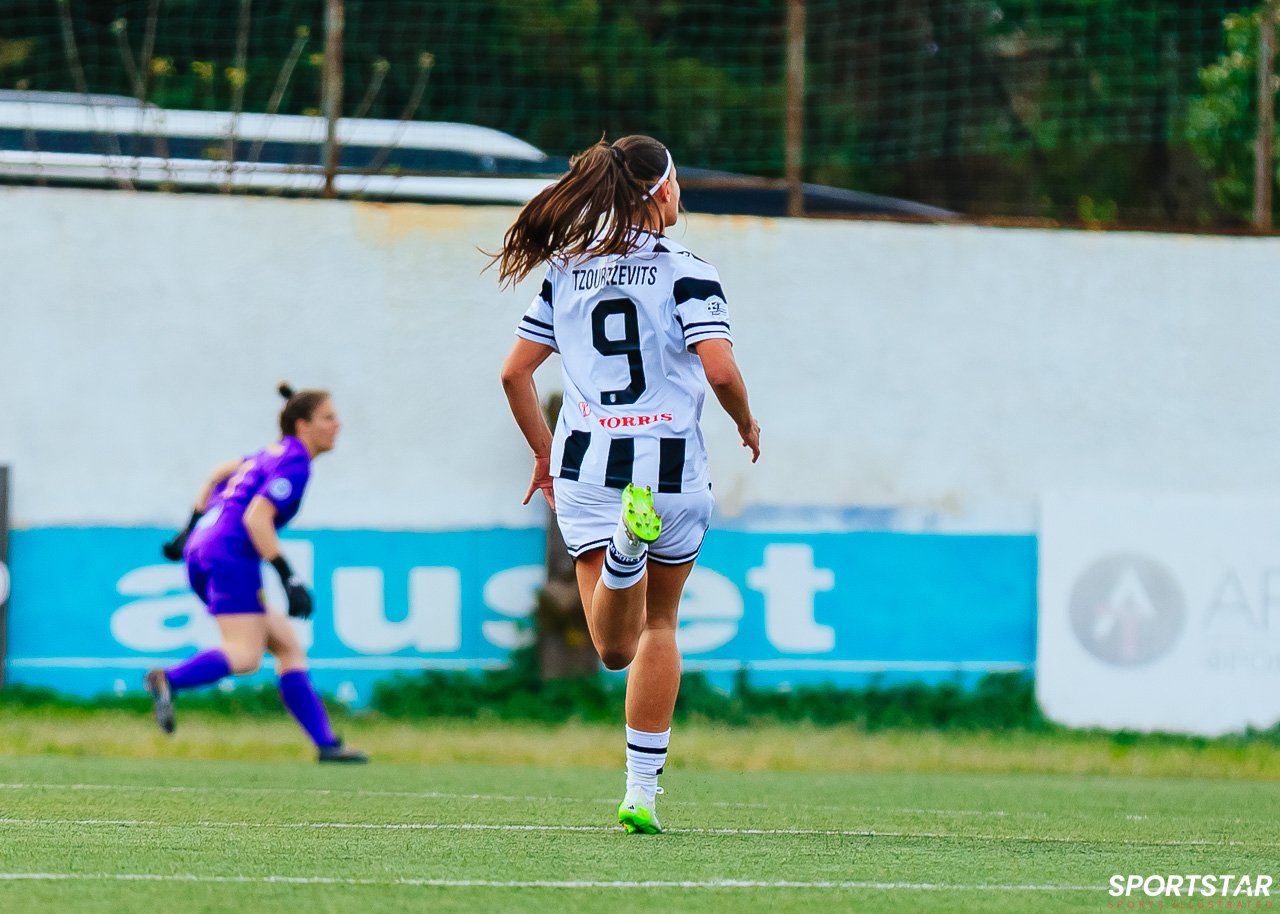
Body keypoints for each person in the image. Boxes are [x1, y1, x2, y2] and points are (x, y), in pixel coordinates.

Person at [496, 135, 760, 833]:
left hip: (589, 465)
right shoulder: (688, 270)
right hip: (671, 468)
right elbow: (720, 369)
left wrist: (543, 453)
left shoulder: (566, 269)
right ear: (664, 190)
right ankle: (641, 793)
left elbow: (514, 373)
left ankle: (622, 552)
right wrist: (745, 421)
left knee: (613, 649)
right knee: (660, 624)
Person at [148, 383, 367, 764]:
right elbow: (256, 518)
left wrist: (189, 528)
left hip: (203, 548)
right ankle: (169, 679)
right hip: (230, 553)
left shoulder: (270, 452)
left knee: (287, 646)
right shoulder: (295, 463)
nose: (338, 425)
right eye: (328, 418)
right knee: (245, 654)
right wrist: (288, 577)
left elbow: (217, 474)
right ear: (303, 425)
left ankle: (327, 744)